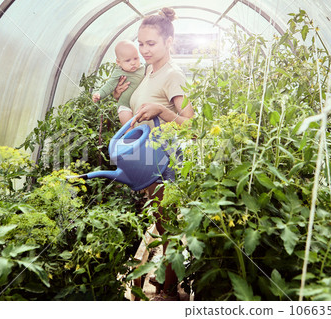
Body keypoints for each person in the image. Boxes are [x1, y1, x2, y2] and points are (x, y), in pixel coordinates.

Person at [113, 7, 194, 300]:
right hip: (147, 158)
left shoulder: (173, 75)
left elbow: (192, 126)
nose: (144, 49)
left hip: (163, 158)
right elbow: (139, 112)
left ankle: (170, 287)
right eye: (141, 43)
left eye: (151, 43)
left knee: (167, 224)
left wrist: (162, 111)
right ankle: (167, 280)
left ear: (169, 42)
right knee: (161, 223)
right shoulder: (148, 71)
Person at [92, 40, 145, 125]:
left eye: (136, 58)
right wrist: (100, 94)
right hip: (125, 105)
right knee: (128, 126)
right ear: (118, 62)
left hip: (139, 105)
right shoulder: (119, 73)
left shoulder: (142, 68)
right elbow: (110, 85)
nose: (133, 63)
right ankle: (129, 135)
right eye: (128, 60)